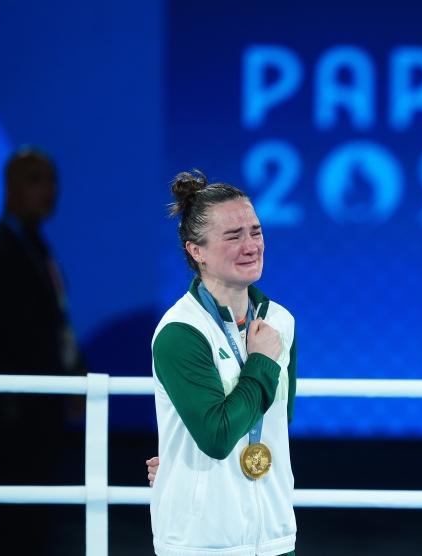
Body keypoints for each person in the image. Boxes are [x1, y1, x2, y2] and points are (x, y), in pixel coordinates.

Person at [150, 171, 297, 556]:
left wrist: (178, 458)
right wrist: (260, 362)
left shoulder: (280, 321)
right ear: (196, 251)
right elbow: (216, 437)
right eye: (233, 236)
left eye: (255, 231)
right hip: (202, 543)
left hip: (276, 537)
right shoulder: (181, 332)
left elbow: (276, 421)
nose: (251, 246)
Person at [0, 148, 86, 554]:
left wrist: (75, 371)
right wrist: (6, 401)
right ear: (10, 187)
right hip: (12, 410)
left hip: (41, 406)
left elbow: (56, 321)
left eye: (52, 180)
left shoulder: (36, 246)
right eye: (35, 180)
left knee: (34, 516)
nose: (48, 191)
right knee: (14, 516)